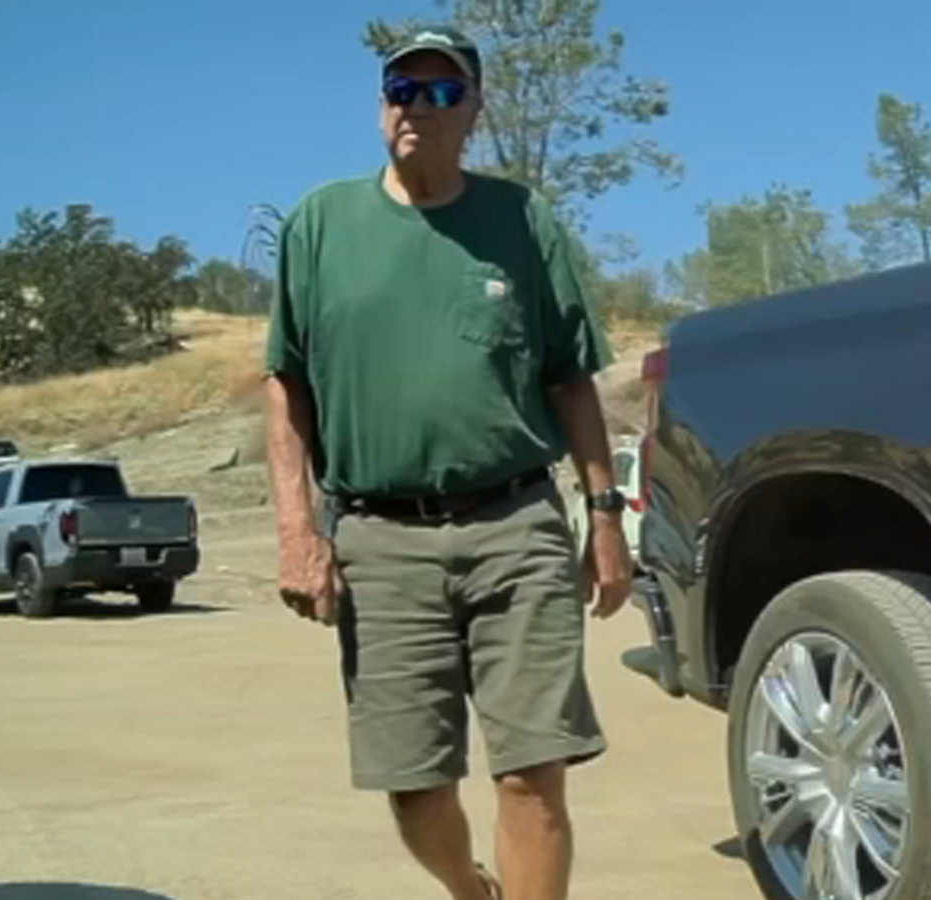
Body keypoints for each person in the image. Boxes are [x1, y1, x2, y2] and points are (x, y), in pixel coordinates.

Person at [262, 25, 633, 900]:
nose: (415, 108)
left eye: (439, 92)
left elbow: (571, 381)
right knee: (415, 786)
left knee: (531, 775)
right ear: (380, 103)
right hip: (380, 542)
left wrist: (605, 517)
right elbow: (287, 394)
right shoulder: (322, 223)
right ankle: (472, 890)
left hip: (516, 526)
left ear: (474, 109)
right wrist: (296, 530)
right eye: (401, 90)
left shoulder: (520, 219)